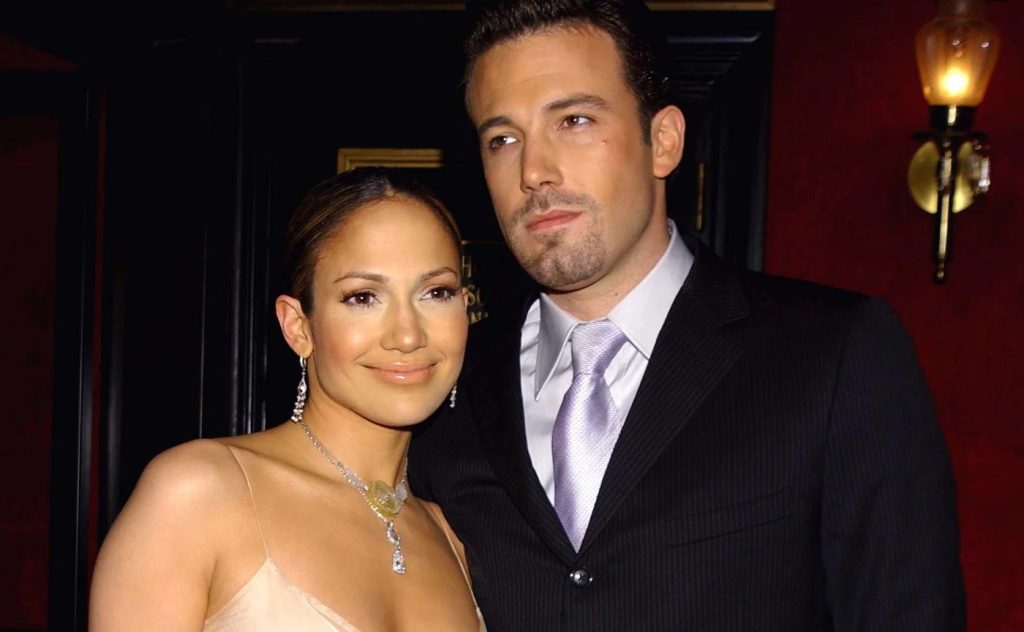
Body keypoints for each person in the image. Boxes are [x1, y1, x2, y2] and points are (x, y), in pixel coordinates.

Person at [408, 0, 965, 629]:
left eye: (575, 120)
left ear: (665, 142)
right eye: (503, 139)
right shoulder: (442, 382)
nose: (534, 171)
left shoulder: (833, 354)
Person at [90, 168, 486, 631]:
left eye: (436, 292)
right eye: (363, 297)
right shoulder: (198, 494)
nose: (407, 335)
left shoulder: (453, 539)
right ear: (298, 326)